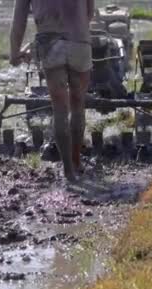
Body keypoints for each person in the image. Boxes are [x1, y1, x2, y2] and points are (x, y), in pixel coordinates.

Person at [9, 0, 94, 182]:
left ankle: (68, 171)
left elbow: (19, 20)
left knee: (60, 110)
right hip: (79, 41)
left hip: (50, 44)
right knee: (78, 106)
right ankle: (77, 162)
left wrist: (14, 53)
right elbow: (89, 13)